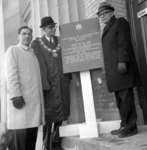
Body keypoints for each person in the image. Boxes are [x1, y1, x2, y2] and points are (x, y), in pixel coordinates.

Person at [96, 2, 140, 138]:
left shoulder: (120, 22)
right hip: (114, 72)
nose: (102, 17)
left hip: (122, 69)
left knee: (126, 98)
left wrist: (123, 61)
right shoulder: (106, 28)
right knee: (120, 100)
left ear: (111, 12)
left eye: (104, 14)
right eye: (100, 15)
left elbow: (123, 43)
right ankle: (124, 124)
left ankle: (131, 127)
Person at [31, 16, 71, 150]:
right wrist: (44, 83)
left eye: (53, 26)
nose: (53, 29)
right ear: (43, 29)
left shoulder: (59, 41)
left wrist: (68, 76)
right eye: (49, 27)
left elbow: (67, 58)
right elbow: (39, 64)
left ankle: (56, 143)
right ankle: (46, 145)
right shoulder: (37, 43)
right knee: (49, 117)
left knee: (62, 113)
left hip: (61, 82)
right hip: (48, 85)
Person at [5, 26, 44, 150]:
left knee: (30, 143)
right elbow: (11, 75)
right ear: (19, 36)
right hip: (21, 104)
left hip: (33, 106)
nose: (27, 36)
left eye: (29, 34)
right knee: (19, 144)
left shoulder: (32, 54)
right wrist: (16, 95)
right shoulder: (13, 50)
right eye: (24, 34)